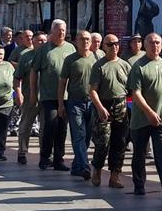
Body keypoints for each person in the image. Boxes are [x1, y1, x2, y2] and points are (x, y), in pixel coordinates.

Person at [128, 32, 162, 198]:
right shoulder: (139, 66)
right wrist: (149, 112)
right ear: (145, 44)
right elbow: (136, 93)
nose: (155, 45)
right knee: (139, 154)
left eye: (158, 42)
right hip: (141, 119)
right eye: (151, 42)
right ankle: (139, 184)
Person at [30, 19, 75, 170]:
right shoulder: (43, 50)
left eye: (64, 30)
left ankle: (58, 159)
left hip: (67, 96)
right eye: (59, 30)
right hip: (48, 95)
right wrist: (33, 92)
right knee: (50, 125)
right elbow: (34, 71)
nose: (62, 33)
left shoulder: (71, 48)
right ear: (52, 31)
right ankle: (45, 157)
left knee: (62, 128)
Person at [88, 34, 132, 188]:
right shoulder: (99, 66)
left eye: (116, 43)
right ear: (104, 47)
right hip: (104, 104)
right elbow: (92, 91)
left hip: (121, 104)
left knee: (119, 142)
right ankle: (97, 170)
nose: (114, 46)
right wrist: (100, 108)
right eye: (110, 44)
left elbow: (131, 88)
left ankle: (115, 175)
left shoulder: (125, 65)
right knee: (103, 142)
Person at [58, 30, 97, 180]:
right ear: (76, 41)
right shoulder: (70, 59)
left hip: (92, 102)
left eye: (88, 39)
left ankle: (76, 166)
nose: (85, 42)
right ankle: (85, 166)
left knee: (87, 137)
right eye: (82, 39)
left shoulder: (95, 58)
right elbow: (62, 83)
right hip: (75, 102)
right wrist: (61, 104)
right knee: (79, 135)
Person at [13, 31, 47, 164]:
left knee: (45, 127)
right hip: (29, 97)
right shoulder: (26, 57)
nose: (43, 43)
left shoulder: (49, 55)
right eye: (39, 40)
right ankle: (22, 151)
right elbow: (17, 78)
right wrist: (18, 93)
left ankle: (44, 154)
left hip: (46, 98)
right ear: (33, 42)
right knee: (26, 125)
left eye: (45, 40)